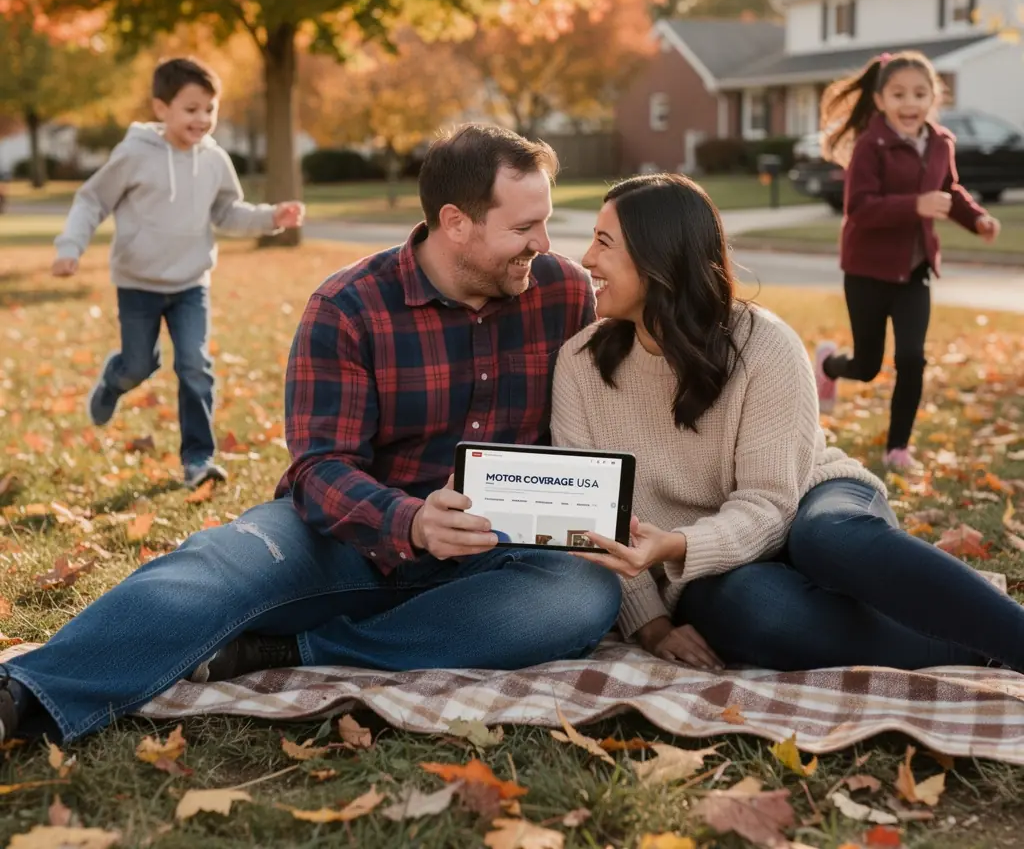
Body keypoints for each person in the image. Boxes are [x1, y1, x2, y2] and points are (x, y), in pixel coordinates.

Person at [0, 124, 620, 745]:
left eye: (542, 223)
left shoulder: (562, 292)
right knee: (216, 565)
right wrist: (413, 522)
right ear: (455, 222)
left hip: (489, 556)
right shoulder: (349, 306)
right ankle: (28, 691)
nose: (543, 242)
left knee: (584, 594)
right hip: (345, 538)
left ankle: (291, 650)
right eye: (522, 228)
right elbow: (319, 468)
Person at [551, 173, 1024, 673]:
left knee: (827, 537)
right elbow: (589, 519)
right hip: (701, 569)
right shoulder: (579, 365)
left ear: (659, 257)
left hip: (806, 499)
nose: (586, 259)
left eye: (604, 242)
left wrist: (680, 542)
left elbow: (771, 503)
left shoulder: (764, 344)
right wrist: (651, 624)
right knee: (758, 612)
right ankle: (965, 647)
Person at [50, 56, 306, 489]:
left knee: (195, 366)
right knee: (138, 365)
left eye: (210, 109)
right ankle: (114, 382)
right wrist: (70, 246)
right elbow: (93, 200)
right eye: (191, 109)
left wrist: (270, 217)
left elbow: (227, 211)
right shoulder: (134, 154)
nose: (202, 119)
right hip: (139, 285)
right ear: (161, 108)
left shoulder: (214, 160)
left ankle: (198, 461)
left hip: (191, 284)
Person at [811, 51, 1001, 472]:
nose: (909, 103)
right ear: (880, 100)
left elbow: (949, 190)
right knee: (866, 365)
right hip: (867, 271)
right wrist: (915, 204)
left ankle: (897, 448)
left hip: (915, 272)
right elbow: (859, 208)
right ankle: (828, 363)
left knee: (912, 358)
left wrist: (978, 220)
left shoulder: (941, 143)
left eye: (919, 93)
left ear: (934, 96)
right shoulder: (870, 145)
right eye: (898, 94)